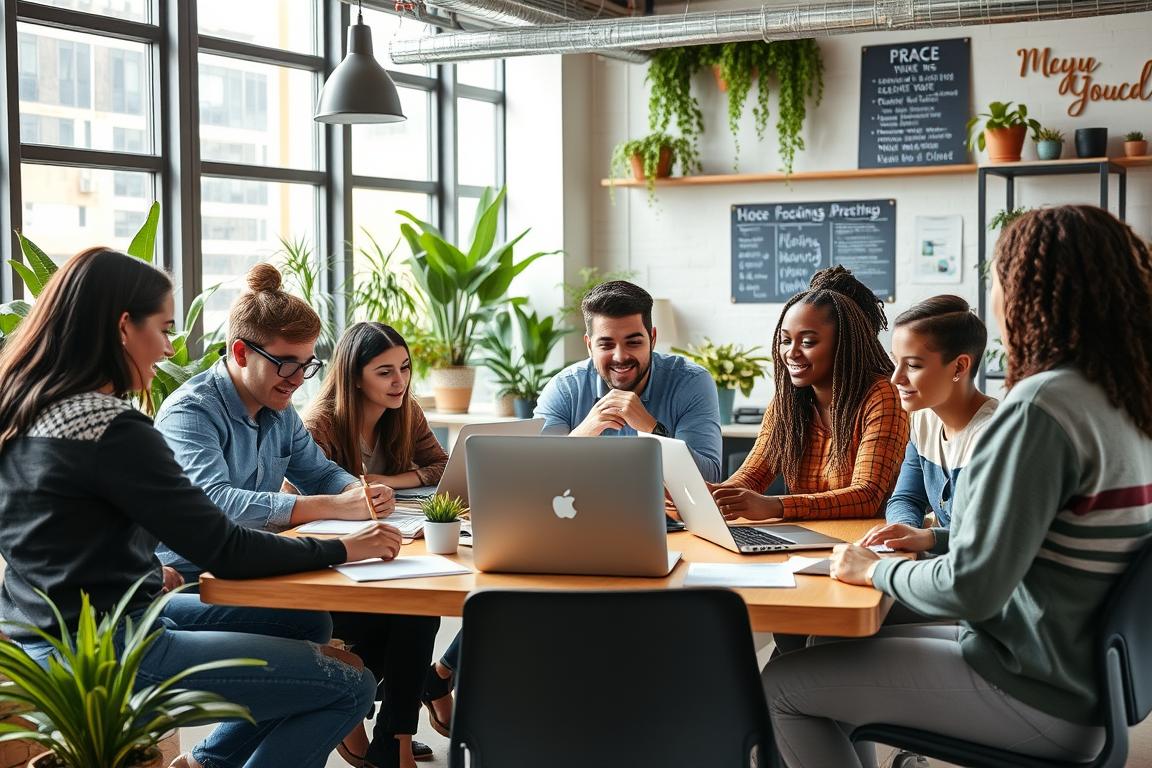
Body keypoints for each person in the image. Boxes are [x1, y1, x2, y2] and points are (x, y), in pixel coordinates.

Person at [762, 205, 1152, 767]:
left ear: (1030, 292)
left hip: (1035, 688)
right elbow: (1037, 541)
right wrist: (930, 541)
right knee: (835, 646)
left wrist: (872, 569)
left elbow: (971, 588)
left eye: (998, 278)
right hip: (1079, 676)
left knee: (784, 687)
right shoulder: (1118, 399)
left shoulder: (1041, 408)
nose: (994, 294)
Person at [0, 247, 403, 768]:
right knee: (351, 685)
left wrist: (144, 570)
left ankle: (206, 763)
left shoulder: (29, 409)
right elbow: (225, 548)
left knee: (307, 624)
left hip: (48, 638)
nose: (169, 349)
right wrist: (343, 549)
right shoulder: (115, 428)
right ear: (125, 328)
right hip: (113, 653)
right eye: (164, 329)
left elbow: (58, 533)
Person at [154, 265, 429, 768]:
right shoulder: (190, 413)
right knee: (329, 660)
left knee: (317, 622)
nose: (299, 379)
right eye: (286, 364)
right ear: (240, 352)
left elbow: (322, 474)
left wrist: (360, 492)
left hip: (253, 565)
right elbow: (213, 502)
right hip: (193, 576)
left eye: (308, 364)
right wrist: (329, 506)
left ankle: (208, 762)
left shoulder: (279, 411)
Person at [299, 321, 447, 766]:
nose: (399, 380)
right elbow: (295, 499)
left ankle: (393, 736)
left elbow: (440, 466)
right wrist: (353, 500)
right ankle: (387, 731)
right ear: (354, 376)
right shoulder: (319, 423)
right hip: (336, 562)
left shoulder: (406, 412)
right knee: (409, 617)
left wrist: (387, 480)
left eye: (404, 368)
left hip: (386, 547)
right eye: (384, 372)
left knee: (421, 606)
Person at [712, 265, 909, 522]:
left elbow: (867, 495)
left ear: (843, 344)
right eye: (785, 340)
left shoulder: (882, 396)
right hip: (807, 541)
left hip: (865, 542)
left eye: (807, 342)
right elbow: (750, 477)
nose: (791, 353)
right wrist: (710, 497)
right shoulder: (788, 401)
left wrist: (775, 507)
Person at [534, 280, 722, 481]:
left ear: (653, 338)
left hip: (663, 514)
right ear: (589, 346)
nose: (620, 357)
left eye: (633, 343)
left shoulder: (691, 382)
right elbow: (536, 475)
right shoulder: (565, 388)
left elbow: (709, 478)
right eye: (606, 345)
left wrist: (652, 430)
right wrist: (584, 434)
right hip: (583, 513)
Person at [879, 295, 998, 535]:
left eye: (912, 365)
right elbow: (906, 498)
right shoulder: (924, 420)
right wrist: (902, 534)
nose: (895, 378)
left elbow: (980, 538)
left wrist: (925, 538)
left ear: (959, 367)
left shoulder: (994, 436)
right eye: (896, 362)